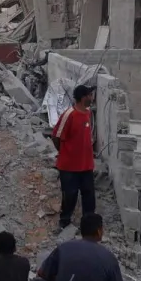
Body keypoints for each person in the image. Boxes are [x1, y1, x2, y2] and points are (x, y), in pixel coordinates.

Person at [34, 213, 124, 281]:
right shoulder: (108, 256)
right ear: (99, 231)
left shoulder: (63, 248)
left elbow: (41, 274)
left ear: (82, 231)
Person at [52, 85, 97, 229]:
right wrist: (65, 152)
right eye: (90, 95)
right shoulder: (69, 114)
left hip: (86, 165)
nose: (92, 97)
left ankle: (89, 224)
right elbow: (56, 136)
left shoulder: (88, 113)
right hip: (69, 166)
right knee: (70, 195)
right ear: (84, 97)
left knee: (89, 195)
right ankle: (64, 222)